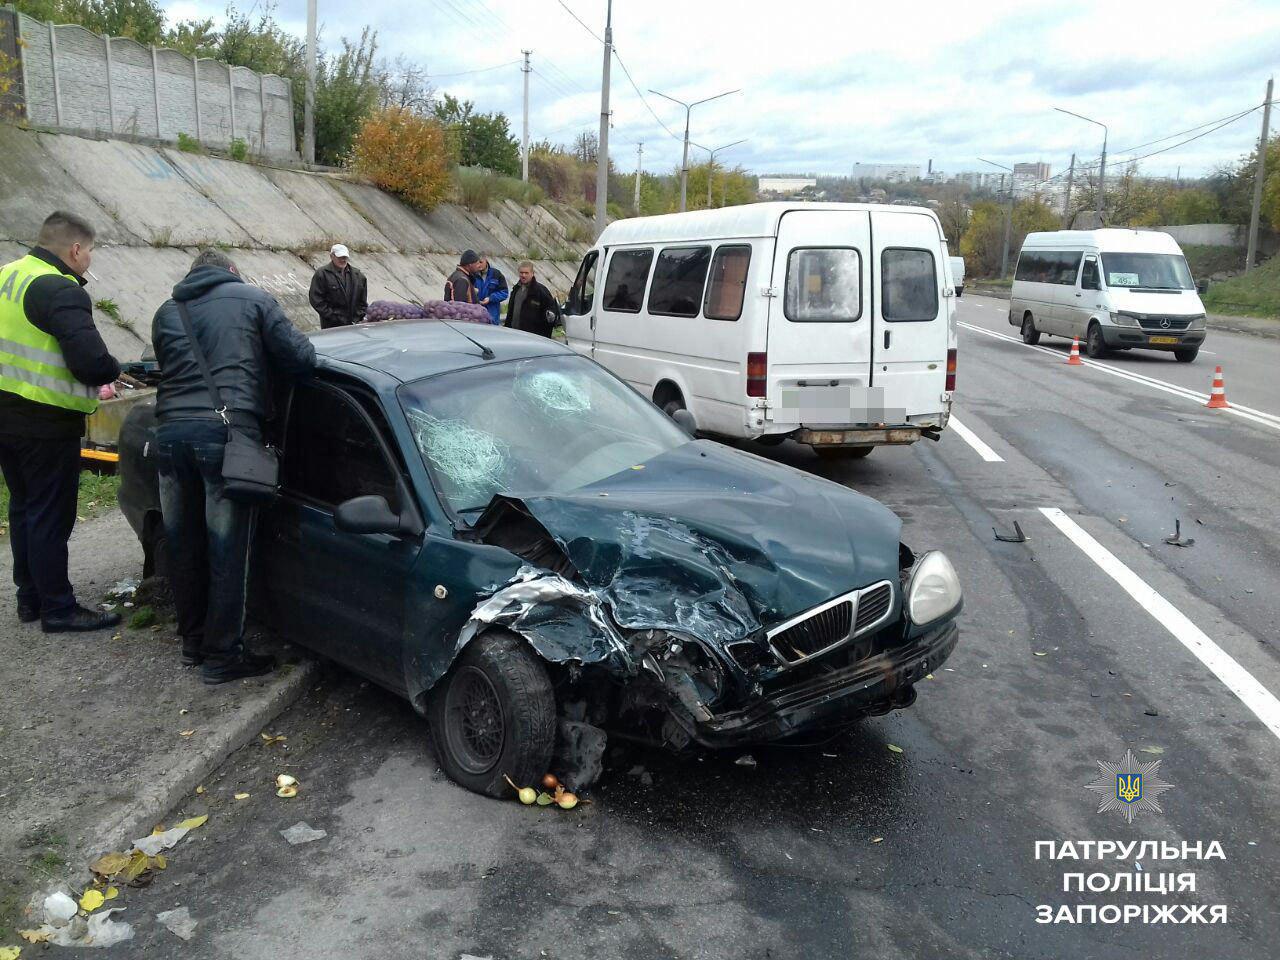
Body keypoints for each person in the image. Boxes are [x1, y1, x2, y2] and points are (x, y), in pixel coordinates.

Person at [151, 250, 315, 684]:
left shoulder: (168, 310)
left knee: (183, 546)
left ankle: (193, 642)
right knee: (227, 550)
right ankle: (223, 656)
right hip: (224, 439)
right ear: (230, 271)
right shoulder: (253, 298)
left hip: (168, 438)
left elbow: (169, 370)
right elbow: (301, 358)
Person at [0, 212, 122, 632]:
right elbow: (90, 363)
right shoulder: (60, 288)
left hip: (6, 416)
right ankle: (58, 608)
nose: (88, 258)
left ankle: (29, 599)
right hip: (45, 421)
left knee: (24, 508)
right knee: (50, 515)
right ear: (75, 249)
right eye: (89, 251)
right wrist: (114, 366)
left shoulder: (7, 274)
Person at [308, 243, 367, 329]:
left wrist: (358, 317)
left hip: (354, 325)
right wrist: (332, 316)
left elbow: (363, 301)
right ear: (332, 256)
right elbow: (316, 300)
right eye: (340, 257)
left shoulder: (358, 276)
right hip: (331, 326)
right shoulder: (322, 274)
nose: (343, 260)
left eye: (345, 257)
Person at [505, 261, 562, 338]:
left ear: (532, 273)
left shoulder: (541, 291)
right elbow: (510, 313)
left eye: (526, 273)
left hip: (533, 337)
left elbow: (551, 313)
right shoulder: (516, 289)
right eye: (521, 273)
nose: (523, 275)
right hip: (514, 334)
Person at [471, 255, 509, 325]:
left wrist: (490, 298)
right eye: (477, 263)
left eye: (481, 262)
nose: (478, 265)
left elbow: (504, 293)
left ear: (486, 260)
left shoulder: (496, 274)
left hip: (492, 316)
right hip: (476, 315)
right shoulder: (472, 275)